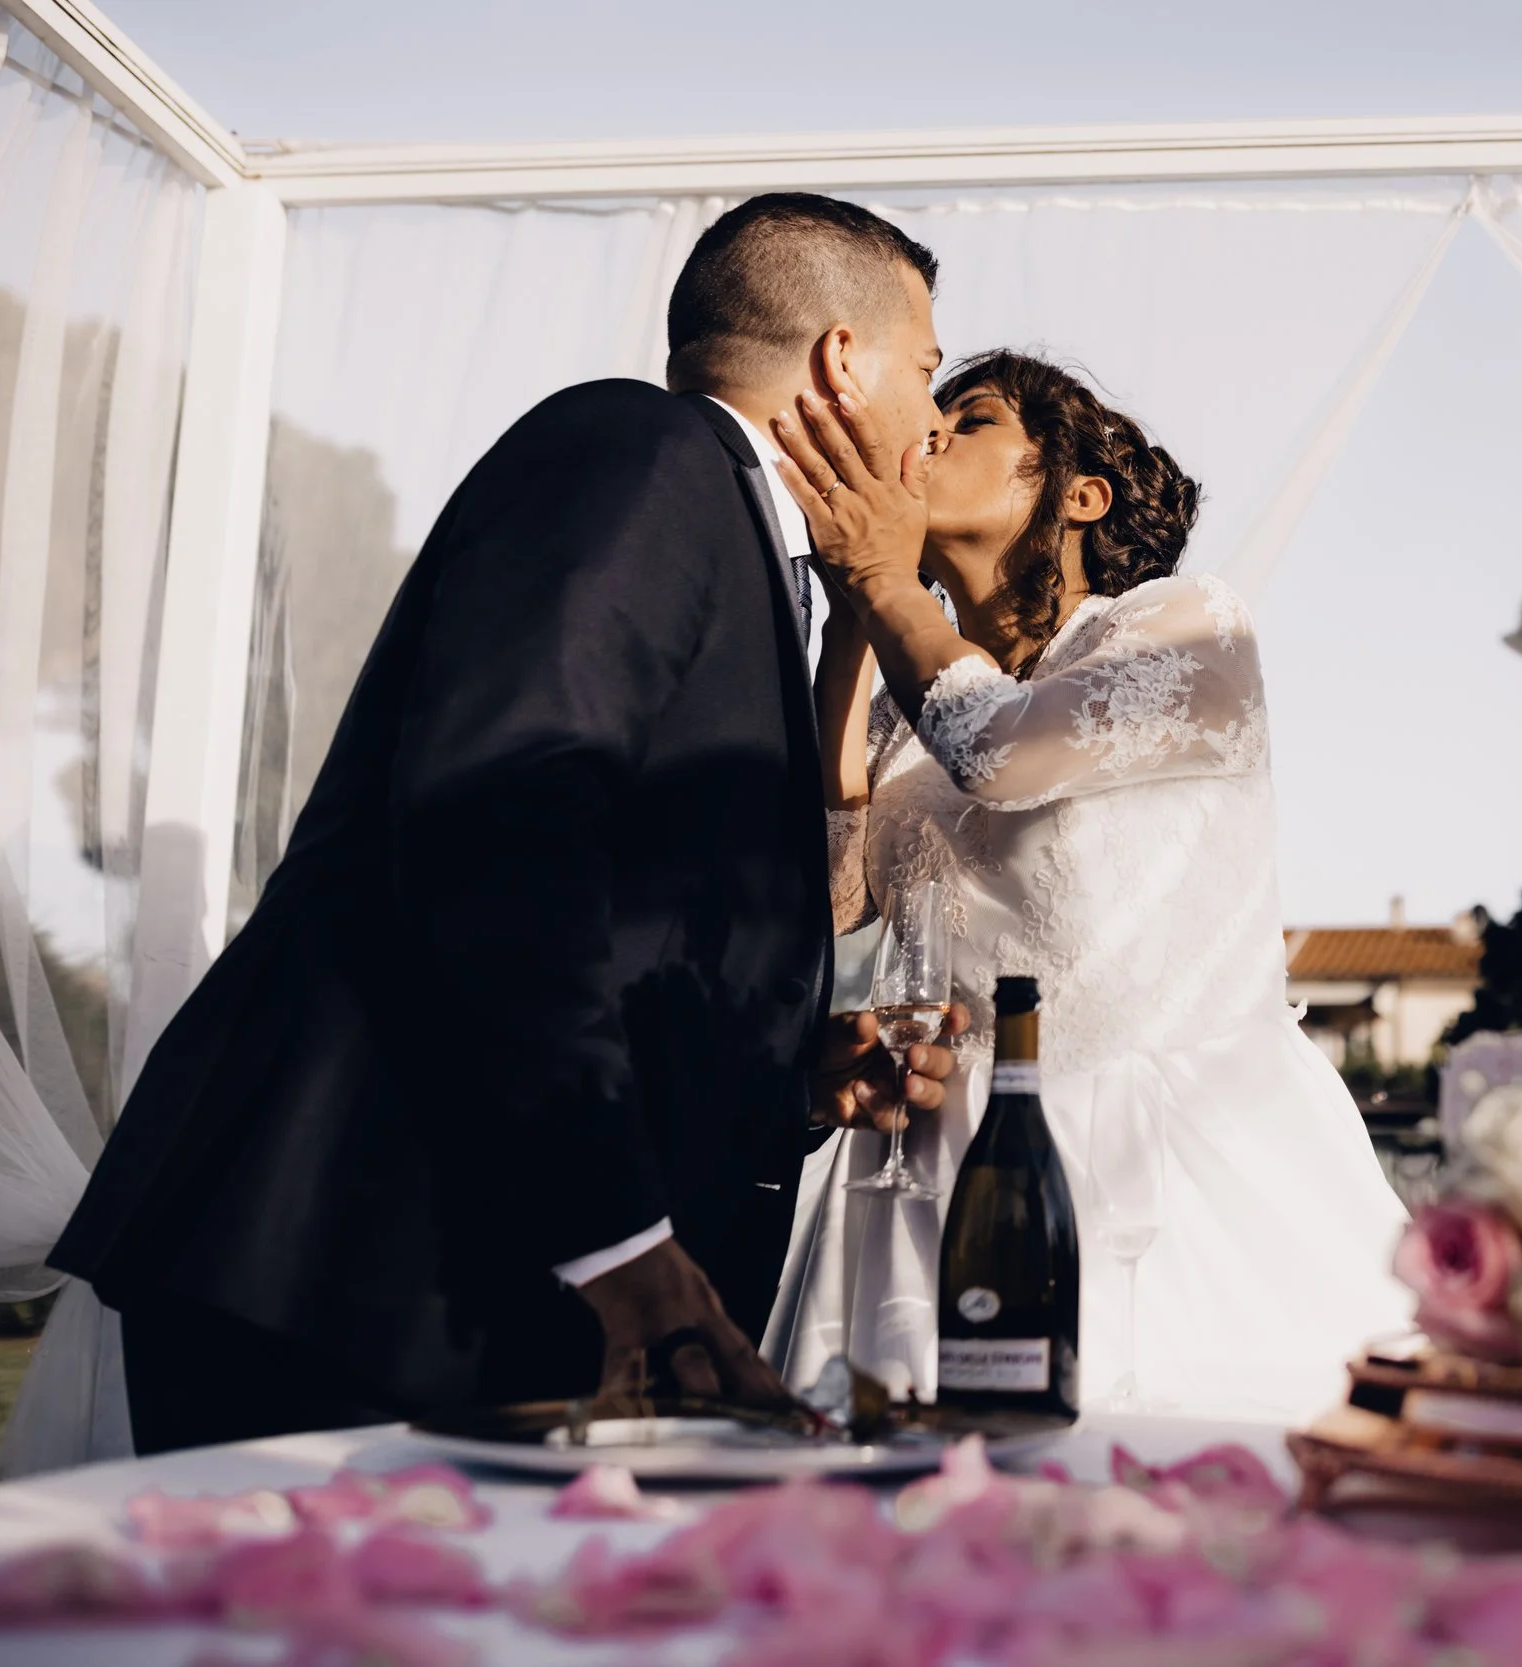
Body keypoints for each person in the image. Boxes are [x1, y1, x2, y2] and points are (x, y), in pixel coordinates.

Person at [49, 194, 964, 1454]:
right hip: (359, 1253)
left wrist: (787, 1074)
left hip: (467, 1283)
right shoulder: (640, 453)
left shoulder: (742, 546)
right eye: (927, 371)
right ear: (841, 360)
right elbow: (501, 830)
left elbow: (617, 910)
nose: (930, 422)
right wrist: (628, 1258)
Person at [765, 350, 1412, 1418]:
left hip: (1160, 1153)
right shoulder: (906, 697)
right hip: (928, 1163)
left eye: (965, 418)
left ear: (1079, 492)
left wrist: (886, 585)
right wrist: (849, 628)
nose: (924, 435)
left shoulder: (1186, 626)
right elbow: (833, 901)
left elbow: (1004, 756)